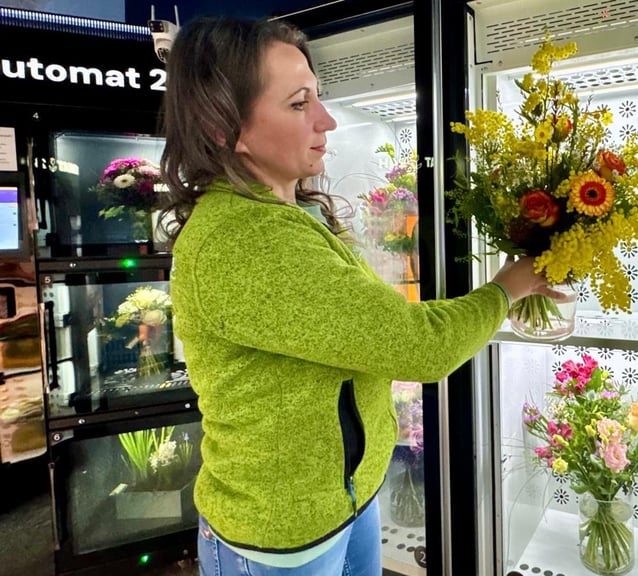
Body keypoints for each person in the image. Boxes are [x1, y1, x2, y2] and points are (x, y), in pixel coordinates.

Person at [161, 16, 559, 576]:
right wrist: (507, 288)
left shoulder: (289, 214)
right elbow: (418, 347)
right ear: (227, 127)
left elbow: (362, 327)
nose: (325, 121)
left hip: (345, 501)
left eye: (319, 98)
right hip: (285, 537)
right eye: (299, 105)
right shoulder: (246, 239)